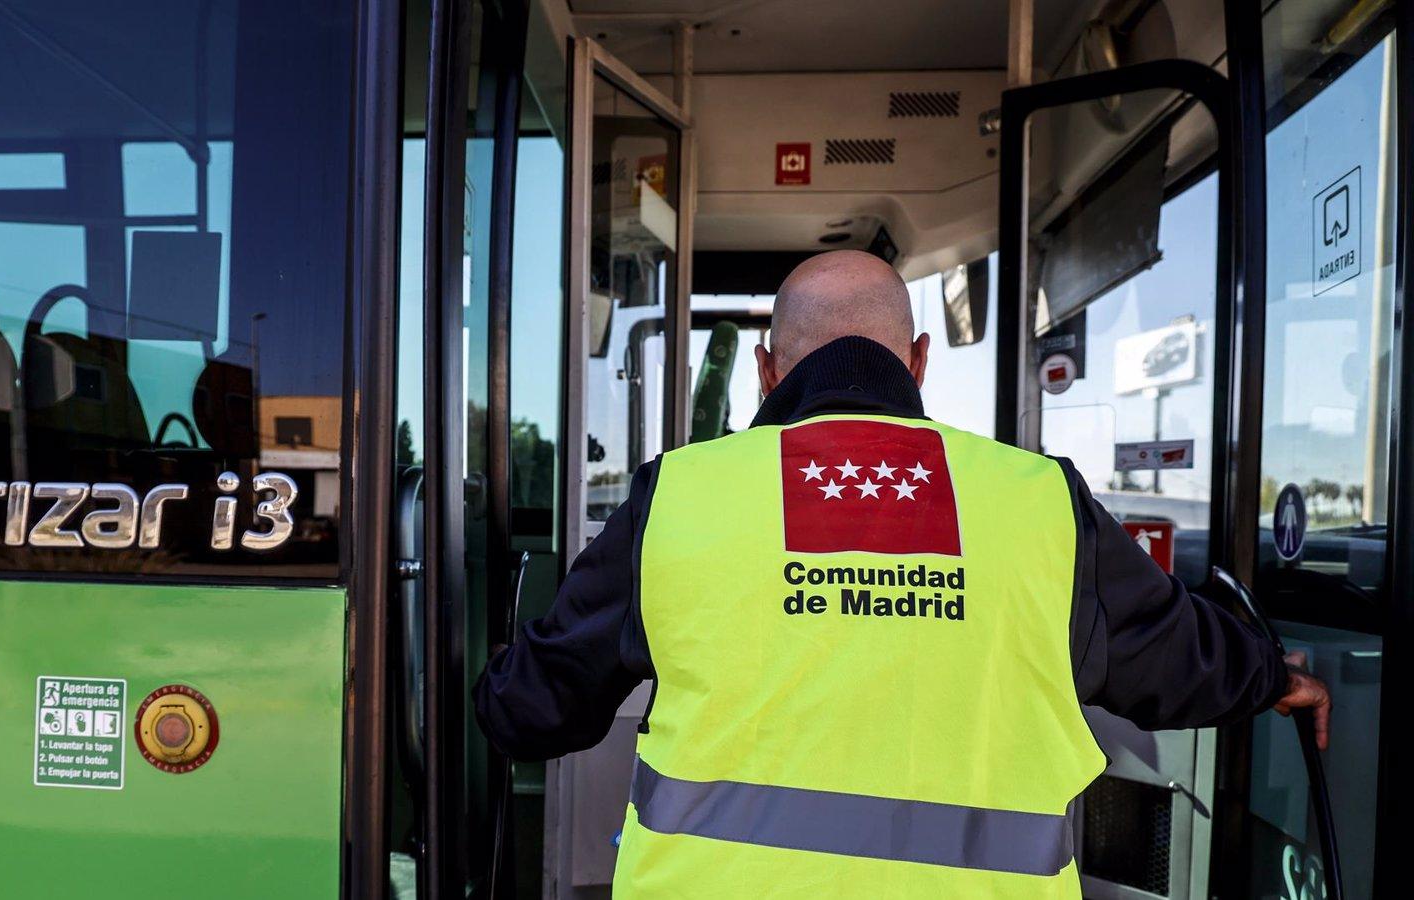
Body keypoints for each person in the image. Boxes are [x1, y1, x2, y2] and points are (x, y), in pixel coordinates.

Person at [474, 250, 1330, 898]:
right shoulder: (1039, 501)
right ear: (918, 362)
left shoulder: (679, 496)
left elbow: (537, 706)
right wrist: (1274, 676)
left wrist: (472, 677)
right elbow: (1176, 660)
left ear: (769, 371)